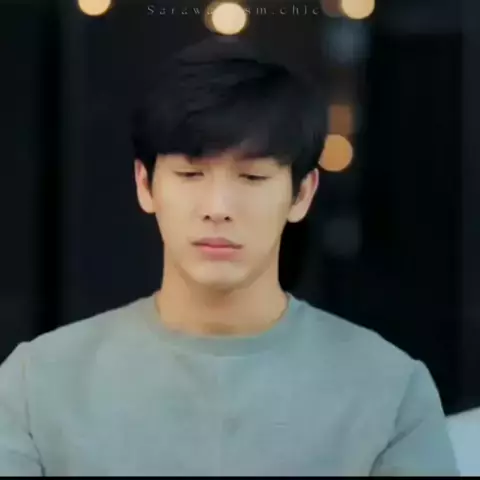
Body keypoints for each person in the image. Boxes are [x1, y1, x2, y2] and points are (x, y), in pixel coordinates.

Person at [0, 35, 458, 476]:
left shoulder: (388, 392)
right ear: (145, 184)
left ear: (302, 193)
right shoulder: (38, 384)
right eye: (190, 174)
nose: (218, 208)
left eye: (252, 178)